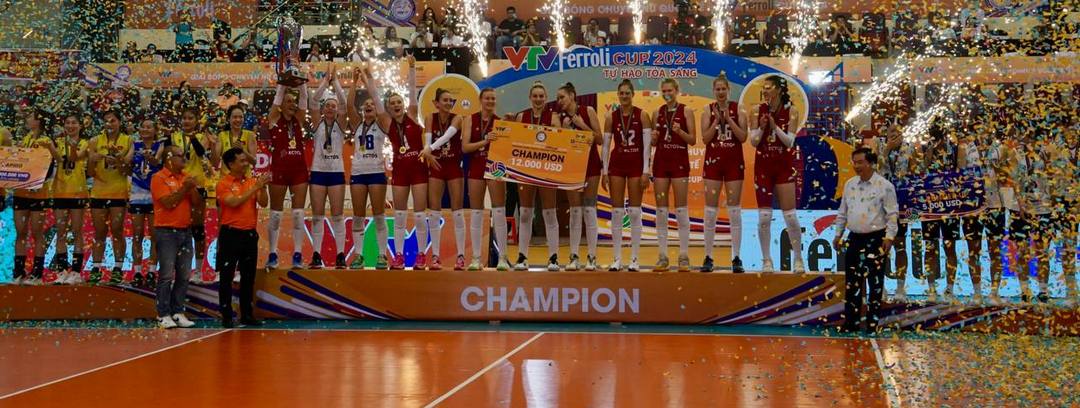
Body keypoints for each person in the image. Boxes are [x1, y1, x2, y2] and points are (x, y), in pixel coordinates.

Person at [364, 57, 430, 270]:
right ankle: (399, 255)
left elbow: (411, 91)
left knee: (419, 215)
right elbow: (375, 97)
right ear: (388, 108)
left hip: (419, 170)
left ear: (403, 104)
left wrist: (412, 68)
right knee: (399, 215)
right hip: (400, 171)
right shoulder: (386, 122)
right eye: (392, 103)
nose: (396, 105)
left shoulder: (412, 114)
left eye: (398, 102)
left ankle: (421, 255)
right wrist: (369, 79)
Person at [833, 147, 898, 333]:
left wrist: (889, 237)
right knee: (852, 282)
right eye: (854, 162)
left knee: (875, 283)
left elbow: (892, 214)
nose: (856, 166)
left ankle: (872, 323)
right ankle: (851, 323)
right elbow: (842, 212)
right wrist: (838, 234)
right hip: (854, 238)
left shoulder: (885, 186)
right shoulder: (850, 184)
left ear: (871, 163)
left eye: (860, 162)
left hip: (876, 238)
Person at [749, 75, 804, 273]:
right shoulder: (756, 110)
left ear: (779, 90)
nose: (765, 91)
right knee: (764, 217)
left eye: (769, 87)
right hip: (763, 168)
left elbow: (789, 142)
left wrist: (774, 127)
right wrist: (762, 127)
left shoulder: (792, 111)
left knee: (790, 216)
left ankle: (798, 259)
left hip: (783, 167)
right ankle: (766, 260)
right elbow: (753, 141)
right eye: (763, 88)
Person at [601, 79, 652, 271]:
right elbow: (605, 147)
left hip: (636, 166)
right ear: (618, 95)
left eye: (627, 93)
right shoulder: (611, 117)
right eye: (621, 93)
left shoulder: (642, 115)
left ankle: (635, 259)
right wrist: (604, 171)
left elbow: (647, 146)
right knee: (616, 212)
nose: (624, 96)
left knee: (635, 212)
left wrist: (646, 171)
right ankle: (616, 258)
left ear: (633, 94)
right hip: (617, 166)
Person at [700, 74, 748, 273]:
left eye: (723, 89)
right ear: (713, 91)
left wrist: (728, 119)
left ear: (729, 90)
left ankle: (736, 257)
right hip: (713, 163)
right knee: (710, 211)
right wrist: (716, 122)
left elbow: (743, 137)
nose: (721, 92)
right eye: (717, 89)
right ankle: (708, 256)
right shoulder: (707, 110)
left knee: (734, 210)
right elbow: (705, 138)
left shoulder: (739, 109)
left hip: (733, 163)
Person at [216, 147, 269, 327]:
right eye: (242, 161)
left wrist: (263, 187)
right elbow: (234, 202)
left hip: (249, 234)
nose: (246, 164)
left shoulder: (251, 181)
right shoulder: (223, 184)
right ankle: (226, 316)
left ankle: (247, 314)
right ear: (231, 164)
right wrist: (255, 187)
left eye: (246, 160)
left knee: (248, 276)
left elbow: (263, 202)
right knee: (227, 276)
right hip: (230, 234)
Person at [345, 70, 391, 269]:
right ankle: (358, 255)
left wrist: (369, 83)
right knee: (358, 215)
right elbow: (349, 106)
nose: (369, 106)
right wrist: (354, 82)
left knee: (379, 214)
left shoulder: (382, 123)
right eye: (366, 105)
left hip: (376, 172)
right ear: (363, 109)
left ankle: (382, 255)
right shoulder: (357, 124)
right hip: (358, 173)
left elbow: (379, 105)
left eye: (372, 104)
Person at [514, 82, 562, 271]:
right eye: (535, 96)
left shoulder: (553, 117)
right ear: (530, 98)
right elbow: (516, 141)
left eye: (541, 96)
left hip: (546, 169)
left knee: (549, 213)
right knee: (525, 212)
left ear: (546, 98)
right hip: (526, 169)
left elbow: (558, 139)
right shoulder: (521, 116)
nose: (538, 99)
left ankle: (553, 258)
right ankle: (522, 256)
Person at [168, 107, 220, 282]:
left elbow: (200, 153)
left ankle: (198, 271)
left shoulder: (202, 137)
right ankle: (178, 270)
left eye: (190, 118)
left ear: (197, 121)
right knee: (178, 229)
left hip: (197, 186)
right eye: (184, 118)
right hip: (177, 186)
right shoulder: (174, 136)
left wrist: (193, 139)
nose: (187, 121)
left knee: (197, 228)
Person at [265, 79, 312, 269]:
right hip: (279, 171)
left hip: (299, 171)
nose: (293, 104)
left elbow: (304, 98)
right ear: (281, 105)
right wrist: (283, 81)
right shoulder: (274, 119)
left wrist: (301, 82)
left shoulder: (298, 120)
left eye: (294, 101)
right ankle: (272, 254)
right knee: (276, 214)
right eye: (289, 101)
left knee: (298, 214)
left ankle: (298, 254)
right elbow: (277, 99)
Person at [462, 88, 511, 270]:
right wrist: (485, 141)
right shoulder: (470, 119)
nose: (490, 101)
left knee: (499, 211)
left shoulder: (500, 122)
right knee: (476, 212)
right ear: (480, 100)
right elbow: (465, 147)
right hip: (476, 166)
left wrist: (510, 126)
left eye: (493, 99)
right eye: (487, 98)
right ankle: (476, 258)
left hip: (495, 167)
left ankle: (503, 258)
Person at [557, 82, 603, 271]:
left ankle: (592, 257)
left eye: (562, 97)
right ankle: (574, 256)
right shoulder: (559, 118)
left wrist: (581, 125)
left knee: (589, 210)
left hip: (591, 166)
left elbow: (599, 139)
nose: (559, 101)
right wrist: (566, 131)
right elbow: (559, 146)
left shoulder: (588, 111)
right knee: (575, 211)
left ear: (572, 95)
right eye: (558, 98)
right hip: (572, 168)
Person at [651, 78, 696, 272]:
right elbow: (654, 142)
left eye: (670, 90)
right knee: (661, 210)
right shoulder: (657, 112)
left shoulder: (686, 111)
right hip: (661, 163)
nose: (667, 93)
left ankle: (683, 255)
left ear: (677, 91)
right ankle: (662, 256)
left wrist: (680, 131)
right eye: (664, 91)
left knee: (681, 209)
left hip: (679, 163)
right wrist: (653, 139)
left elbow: (692, 140)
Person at [307, 67, 350, 269]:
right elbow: (313, 101)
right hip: (318, 172)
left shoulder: (341, 125)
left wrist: (337, 83)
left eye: (333, 106)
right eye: (328, 106)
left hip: (335, 173)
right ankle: (316, 254)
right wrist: (325, 82)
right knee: (317, 215)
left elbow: (344, 103)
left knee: (338, 215)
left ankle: (340, 255)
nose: (331, 108)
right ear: (323, 109)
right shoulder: (317, 123)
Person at [151, 146, 198, 329]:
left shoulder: (185, 177)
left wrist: (192, 188)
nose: (184, 159)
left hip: (185, 231)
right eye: (180, 156)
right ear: (169, 158)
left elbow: (197, 203)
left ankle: (178, 311)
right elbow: (168, 203)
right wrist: (185, 188)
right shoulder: (159, 178)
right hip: (166, 232)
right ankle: (163, 314)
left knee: (184, 275)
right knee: (166, 275)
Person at [420, 88, 466, 270]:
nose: (448, 103)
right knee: (434, 210)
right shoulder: (430, 118)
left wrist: (429, 149)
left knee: (457, 210)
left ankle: (461, 256)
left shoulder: (458, 118)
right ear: (436, 103)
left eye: (451, 100)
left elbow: (448, 135)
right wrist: (428, 152)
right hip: (437, 165)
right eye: (445, 100)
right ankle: (435, 256)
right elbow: (427, 141)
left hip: (453, 166)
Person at [12, 109, 58, 285]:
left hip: (38, 193)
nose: (27, 119)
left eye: (30, 117)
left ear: (39, 121)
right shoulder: (25, 139)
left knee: (38, 233)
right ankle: (18, 272)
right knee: (20, 232)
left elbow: (53, 164)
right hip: (20, 192)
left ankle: (37, 273)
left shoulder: (46, 140)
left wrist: (36, 181)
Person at [917, 123, 960, 302]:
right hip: (930, 207)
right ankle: (931, 288)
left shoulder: (954, 150)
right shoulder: (924, 149)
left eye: (939, 136)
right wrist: (928, 153)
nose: (937, 140)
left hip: (950, 206)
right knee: (930, 248)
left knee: (950, 247)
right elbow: (920, 171)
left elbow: (960, 173)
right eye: (933, 136)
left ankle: (949, 289)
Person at [87, 110, 131, 284]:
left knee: (117, 230)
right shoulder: (95, 141)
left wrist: (119, 161)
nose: (109, 124)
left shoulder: (127, 140)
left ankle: (118, 268)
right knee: (99, 232)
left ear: (119, 122)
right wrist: (93, 159)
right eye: (106, 121)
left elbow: (127, 171)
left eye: (113, 120)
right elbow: (90, 172)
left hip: (118, 192)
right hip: (98, 192)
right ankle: (96, 267)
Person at [51, 112, 90, 284]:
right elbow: (57, 159)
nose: (70, 126)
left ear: (80, 126)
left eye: (74, 123)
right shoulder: (57, 142)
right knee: (60, 231)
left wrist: (71, 146)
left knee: (76, 231)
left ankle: (75, 271)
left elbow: (75, 157)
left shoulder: (85, 143)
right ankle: (61, 271)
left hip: (77, 191)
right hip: (59, 191)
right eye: (67, 122)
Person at [125, 118, 164, 287]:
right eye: (143, 126)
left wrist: (150, 157)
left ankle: (152, 271)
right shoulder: (134, 144)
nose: (146, 129)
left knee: (155, 235)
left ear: (155, 130)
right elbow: (126, 161)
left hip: (154, 194)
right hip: (137, 194)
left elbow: (157, 161)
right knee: (137, 234)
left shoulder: (160, 145)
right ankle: (137, 271)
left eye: (149, 127)